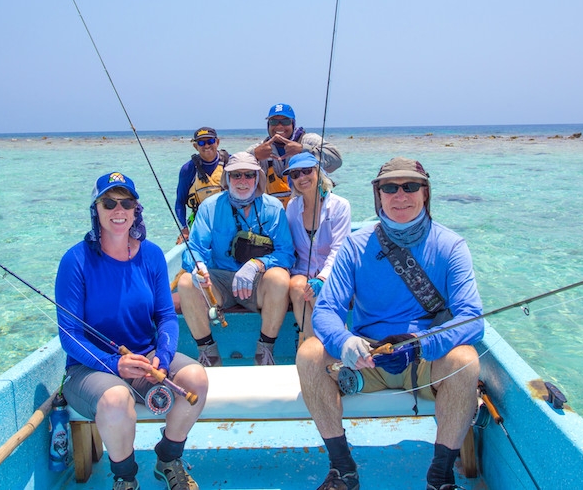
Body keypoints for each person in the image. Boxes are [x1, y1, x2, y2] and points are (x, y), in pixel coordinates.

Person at [296, 158, 484, 490]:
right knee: (310, 352)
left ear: (425, 193)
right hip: (367, 358)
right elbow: (325, 312)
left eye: (410, 186)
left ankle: (440, 476)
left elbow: (472, 318)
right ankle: (343, 469)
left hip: (425, 357)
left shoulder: (451, 246)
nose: (400, 196)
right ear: (378, 195)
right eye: (390, 188)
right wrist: (344, 343)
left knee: (466, 361)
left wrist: (422, 343)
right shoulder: (356, 246)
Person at [55, 172, 208, 490]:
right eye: (108, 203)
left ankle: (168, 457)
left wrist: (162, 359)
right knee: (114, 400)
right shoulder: (75, 261)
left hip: (145, 357)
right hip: (88, 369)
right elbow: (69, 334)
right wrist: (113, 365)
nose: (118, 210)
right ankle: (125, 478)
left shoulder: (151, 255)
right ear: (95, 209)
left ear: (136, 209)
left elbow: (166, 316)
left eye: (126, 202)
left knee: (197, 378)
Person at [177, 151, 295, 366]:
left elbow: (286, 253)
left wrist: (257, 264)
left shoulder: (273, 208)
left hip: (258, 284)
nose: (242, 181)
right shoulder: (209, 208)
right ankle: (209, 353)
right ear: (227, 179)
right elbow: (194, 248)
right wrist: (198, 267)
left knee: (280, 278)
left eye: (249, 175)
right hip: (219, 283)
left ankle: (265, 350)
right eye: (236, 175)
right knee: (186, 282)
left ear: (257, 178)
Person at [283, 151, 352, 347]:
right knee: (297, 287)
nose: (302, 178)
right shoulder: (292, 206)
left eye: (306, 171)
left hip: (333, 274)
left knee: (316, 292)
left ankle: (336, 342)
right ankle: (312, 345)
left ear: (318, 173)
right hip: (302, 272)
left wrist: (322, 278)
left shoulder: (340, 206)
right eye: (295, 174)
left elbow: (339, 248)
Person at [248, 103, 342, 207]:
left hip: (313, 211)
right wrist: (254, 155)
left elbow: (336, 161)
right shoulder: (260, 149)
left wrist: (303, 150)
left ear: (293, 123)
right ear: (268, 125)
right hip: (276, 215)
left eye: (285, 121)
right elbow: (234, 168)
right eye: (274, 121)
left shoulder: (310, 140)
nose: (279, 126)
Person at [173, 127, 229, 240]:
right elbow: (180, 202)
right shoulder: (188, 169)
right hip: (201, 226)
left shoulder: (230, 163)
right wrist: (184, 229)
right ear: (195, 146)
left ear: (217, 142)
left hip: (228, 223)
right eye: (201, 142)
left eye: (210, 141)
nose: (207, 146)